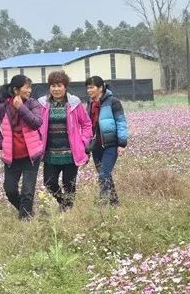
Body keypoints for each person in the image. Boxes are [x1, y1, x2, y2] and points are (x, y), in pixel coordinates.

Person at [0, 74, 44, 219]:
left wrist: (21, 108)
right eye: (27, 87)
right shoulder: (2, 106)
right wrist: (0, 143)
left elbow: (36, 123)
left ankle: (25, 222)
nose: (29, 90)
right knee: (10, 190)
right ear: (16, 89)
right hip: (11, 157)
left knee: (27, 192)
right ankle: (28, 213)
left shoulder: (33, 104)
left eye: (30, 87)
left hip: (31, 156)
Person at [37, 71, 93, 210]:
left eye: (59, 85)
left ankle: (67, 210)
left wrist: (83, 141)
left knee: (69, 184)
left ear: (65, 87)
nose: (56, 89)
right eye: (53, 86)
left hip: (71, 152)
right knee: (49, 183)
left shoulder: (74, 103)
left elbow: (86, 124)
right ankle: (64, 204)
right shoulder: (42, 104)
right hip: (50, 153)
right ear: (49, 87)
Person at [85, 76, 128, 205]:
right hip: (96, 146)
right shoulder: (90, 103)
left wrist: (122, 143)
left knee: (103, 174)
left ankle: (102, 204)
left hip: (110, 145)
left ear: (100, 88)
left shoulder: (113, 102)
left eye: (91, 87)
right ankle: (115, 203)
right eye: (87, 88)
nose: (89, 90)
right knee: (105, 175)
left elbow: (121, 122)